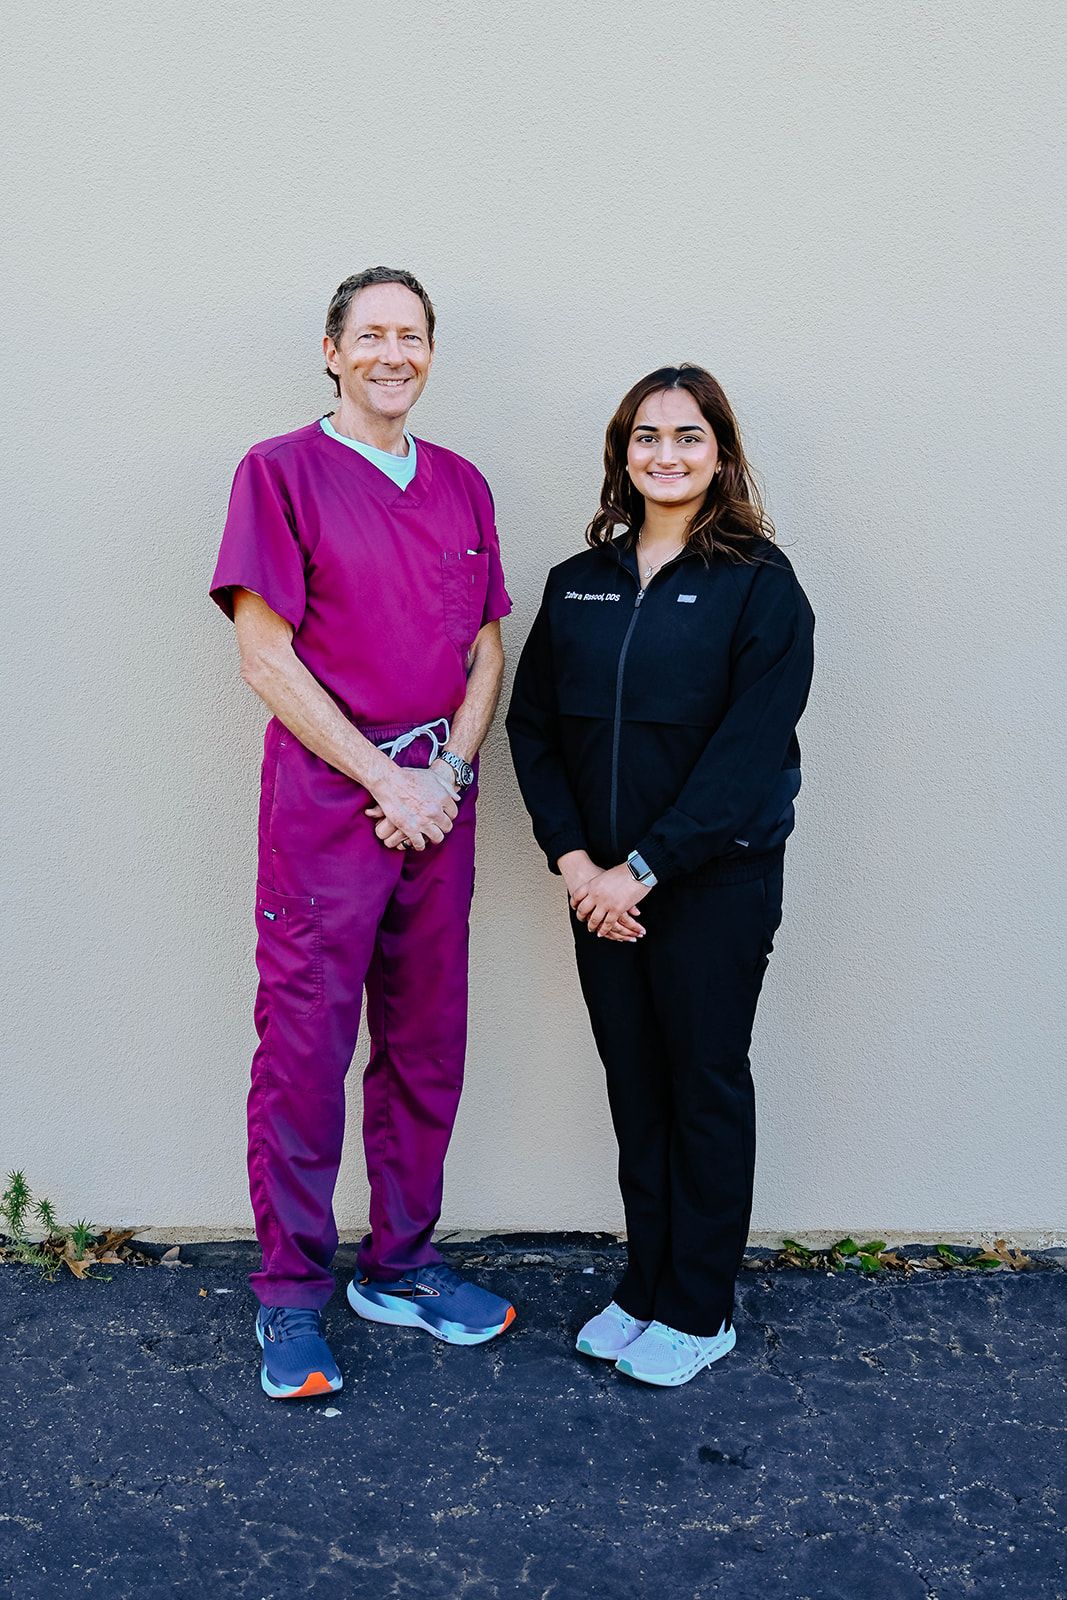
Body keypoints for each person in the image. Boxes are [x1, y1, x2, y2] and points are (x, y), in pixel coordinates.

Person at [210, 267, 515, 1400]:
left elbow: (485, 650)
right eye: (370, 333)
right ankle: (291, 1296)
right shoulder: (279, 474)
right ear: (331, 350)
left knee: (426, 1041)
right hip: (330, 806)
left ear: (430, 353)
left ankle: (401, 1262)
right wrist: (387, 776)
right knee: (304, 1050)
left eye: (413, 334)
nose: (394, 351)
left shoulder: (462, 484)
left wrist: (443, 772)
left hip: (438, 798)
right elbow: (264, 656)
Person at [506, 365, 814, 1387]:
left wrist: (642, 868)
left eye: (686, 437)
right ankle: (643, 1285)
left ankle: (698, 1306)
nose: (665, 454)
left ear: (717, 454)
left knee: (702, 1086)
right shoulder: (575, 581)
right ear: (621, 454)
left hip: (709, 883)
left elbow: (745, 752)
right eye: (646, 437)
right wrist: (576, 861)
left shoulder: (760, 586)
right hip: (598, 886)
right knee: (635, 1085)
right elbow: (535, 726)